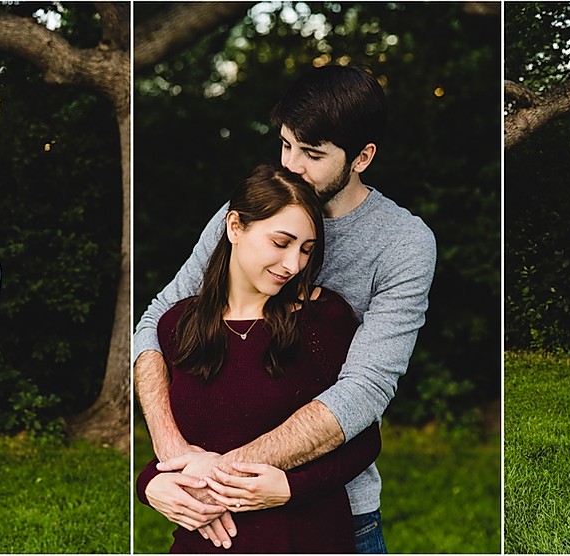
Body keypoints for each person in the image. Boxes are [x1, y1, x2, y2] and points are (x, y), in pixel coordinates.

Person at [135, 66, 436, 553]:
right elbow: (156, 321)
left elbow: (366, 388)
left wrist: (220, 475)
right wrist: (172, 457)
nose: (291, 165)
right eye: (286, 145)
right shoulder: (247, 210)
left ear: (362, 157)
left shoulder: (403, 244)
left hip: (333, 508)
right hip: (210, 511)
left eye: (312, 154)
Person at [136, 165, 383, 553]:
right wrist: (150, 483)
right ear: (235, 227)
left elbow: (363, 439)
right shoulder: (177, 325)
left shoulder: (322, 321)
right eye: (281, 243)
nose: (294, 265)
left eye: (306, 250)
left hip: (303, 539)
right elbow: (178, 445)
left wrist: (288, 488)